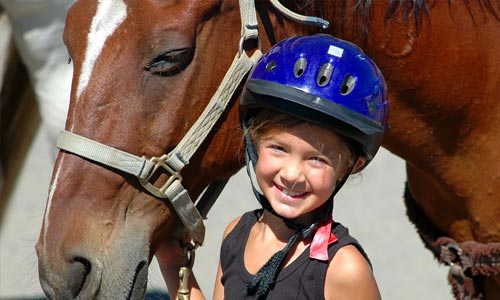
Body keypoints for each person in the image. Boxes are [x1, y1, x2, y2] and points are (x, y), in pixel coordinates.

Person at [157, 33, 389, 300]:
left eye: (317, 159)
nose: (291, 174)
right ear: (253, 141)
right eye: (279, 148)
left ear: (351, 165)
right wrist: (172, 260)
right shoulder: (237, 234)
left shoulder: (343, 269)